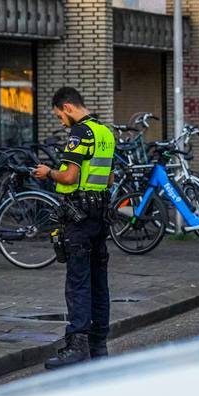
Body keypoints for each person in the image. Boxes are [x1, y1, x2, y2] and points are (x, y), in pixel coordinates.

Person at [31, 87, 115, 368]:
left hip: (78, 217)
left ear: (67, 107)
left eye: (58, 116)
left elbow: (68, 176)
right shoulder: (105, 132)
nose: (60, 121)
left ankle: (77, 347)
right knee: (98, 282)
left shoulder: (80, 133)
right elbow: (110, 177)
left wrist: (47, 173)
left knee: (78, 283)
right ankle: (99, 345)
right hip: (100, 216)